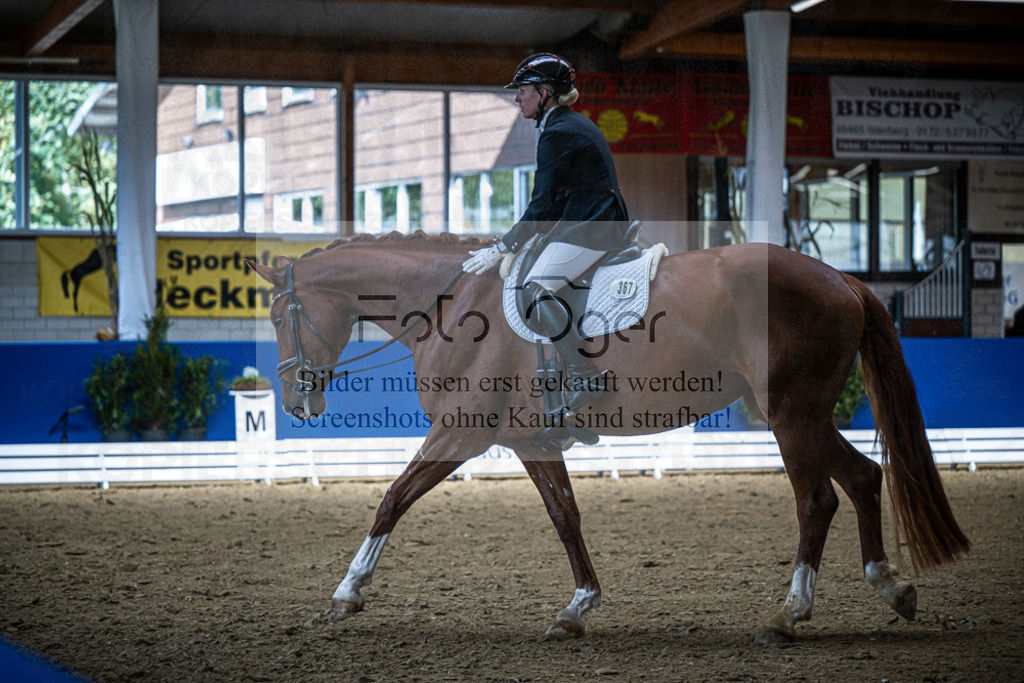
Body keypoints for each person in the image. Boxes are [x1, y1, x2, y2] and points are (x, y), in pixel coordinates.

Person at [462, 53, 631, 414]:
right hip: (586, 219)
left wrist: (503, 245)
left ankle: (584, 374)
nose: (517, 98)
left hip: (593, 226)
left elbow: (542, 205)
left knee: (536, 289)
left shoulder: (558, 132)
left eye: (522, 91)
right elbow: (552, 205)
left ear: (544, 94)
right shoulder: (567, 125)